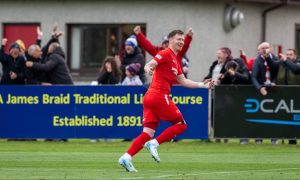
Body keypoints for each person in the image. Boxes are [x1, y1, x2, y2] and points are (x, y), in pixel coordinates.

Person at [118, 29, 212, 172]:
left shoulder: (176, 60)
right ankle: (154, 144)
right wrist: (148, 68)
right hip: (158, 96)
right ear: (170, 41)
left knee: (147, 133)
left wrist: (202, 85)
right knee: (181, 124)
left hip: (150, 98)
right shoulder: (165, 53)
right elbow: (150, 64)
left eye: (182, 39)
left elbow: (184, 81)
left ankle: (126, 157)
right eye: (178, 39)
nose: (181, 42)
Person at [251, 42, 279, 145]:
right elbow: (253, 77)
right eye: (260, 49)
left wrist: (275, 82)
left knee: (274, 115)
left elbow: (276, 69)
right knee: (260, 115)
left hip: (274, 89)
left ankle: (274, 137)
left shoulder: (275, 58)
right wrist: (259, 88)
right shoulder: (257, 60)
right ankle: (259, 137)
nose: (262, 51)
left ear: (270, 48)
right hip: (262, 90)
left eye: (264, 48)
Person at [277, 49, 300, 145]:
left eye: (290, 55)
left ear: (295, 56)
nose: (288, 56)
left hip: (297, 94)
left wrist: (286, 60)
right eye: (287, 54)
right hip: (286, 94)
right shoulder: (283, 63)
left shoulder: (297, 62)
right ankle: (291, 139)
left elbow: (296, 69)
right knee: (288, 118)